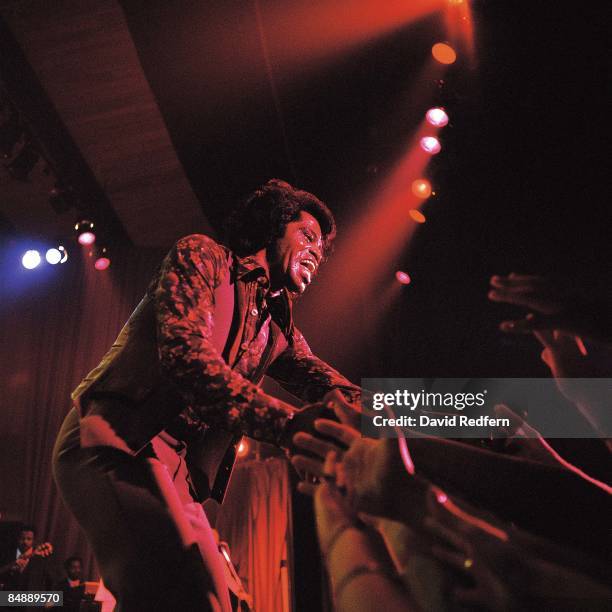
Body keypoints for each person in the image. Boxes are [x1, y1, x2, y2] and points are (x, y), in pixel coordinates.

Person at [52, 179, 360, 611]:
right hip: (115, 439)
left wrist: (472, 408)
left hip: (176, 477)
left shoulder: (277, 330)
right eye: (307, 236)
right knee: (185, 597)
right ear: (274, 226)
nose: (316, 253)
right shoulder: (204, 256)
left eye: (322, 250)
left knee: (218, 601)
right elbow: (187, 359)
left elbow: (343, 392)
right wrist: (291, 427)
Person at [0, 525, 54, 591]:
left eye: (29, 539)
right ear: (17, 539)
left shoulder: (41, 557)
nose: (25, 542)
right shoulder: (7, 554)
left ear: (34, 541)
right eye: (22, 538)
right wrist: (10, 566)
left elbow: (49, 581)